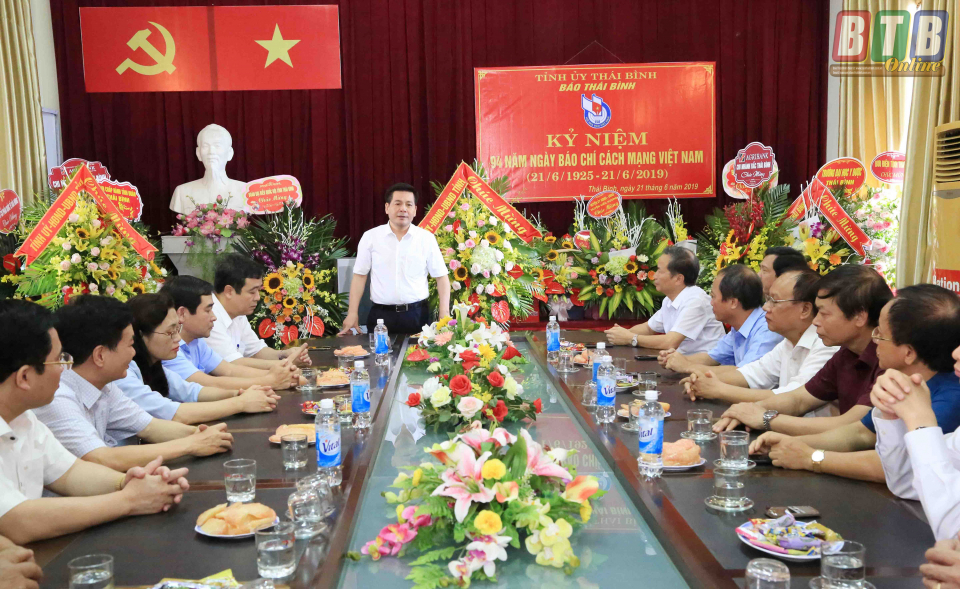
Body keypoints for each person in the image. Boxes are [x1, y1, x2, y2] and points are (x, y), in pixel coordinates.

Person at [0, 300, 190, 546]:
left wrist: (128, 482)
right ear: (25, 376)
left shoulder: (25, 418)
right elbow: (18, 521)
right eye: (59, 360)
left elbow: (71, 473)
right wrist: (130, 499)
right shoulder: (55, 400)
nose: (65, 369)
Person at [749, 284, 960, 484]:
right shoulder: (902, 381)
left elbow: (895, 467)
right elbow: (860, 433)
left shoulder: (950, 400)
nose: (874, 340)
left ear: (908, 353)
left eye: (881, 334)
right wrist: (790, 444)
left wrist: (811, 457)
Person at [32, 296, 234, 472]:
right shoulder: (58, 397)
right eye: (130, 345)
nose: (134, 352)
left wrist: (202, 435)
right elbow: (101, 458)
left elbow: (150, 427)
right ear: (100, 355)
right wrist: (190, 445)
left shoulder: (105, 385)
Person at [713, 264, 893, 436]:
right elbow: (799, 399)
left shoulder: (889, 360)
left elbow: (854, 428)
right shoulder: (846, 353)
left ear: (859, 317)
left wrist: (766, 419)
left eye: (824, 313)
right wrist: (749, 410)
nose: (815, 321)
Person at [681, 269, 839, 415]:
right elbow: (751, 373)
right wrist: (702, 381)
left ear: (805, 310)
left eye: (774, 301)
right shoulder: (788, 342)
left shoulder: (827, 345)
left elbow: (793, 397)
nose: (765, 307)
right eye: (767, 299)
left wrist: (719, 389)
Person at [117, 293, 281, 424]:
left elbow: (193, 391)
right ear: (140, 335)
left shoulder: (155, 365)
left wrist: (240, 394)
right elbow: (175, 413)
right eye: (170, 332)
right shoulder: (124, 374)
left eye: (177, 329)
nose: (177, 338)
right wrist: (241, 403)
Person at [339, 183, 451, 335]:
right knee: (378, 351)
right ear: (387, 207)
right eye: (397, 203)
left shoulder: (426, 238)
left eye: (408, 204)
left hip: (417, 315)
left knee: (419, 351)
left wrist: (444, 313)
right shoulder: (371, 237)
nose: (403, 209)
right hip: (381, 316)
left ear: (415, 210)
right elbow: (360, 276)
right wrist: (352, 313)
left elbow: (441, 277)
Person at [160, 276, 300, 390]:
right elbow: (209, 384)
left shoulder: (197, 342)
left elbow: (229, 370)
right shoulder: (168, 349)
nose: (214, 317)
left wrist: (281, 373)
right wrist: (271, 380)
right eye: (208, 310)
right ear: (182, 314)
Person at [658, 264, 783, 374]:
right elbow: (711, 357)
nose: (711, 303)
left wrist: (687, 366)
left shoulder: (766, 330)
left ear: (733, 302)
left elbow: (745, 373)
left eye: (713, 297)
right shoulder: (739, 326)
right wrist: (675, 359)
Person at [604, 246, 726, 352]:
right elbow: (648, 328)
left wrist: (631, 338)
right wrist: (620, 334)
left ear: (678, 278)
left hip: (707, 366)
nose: (655, 276)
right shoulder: (669, 299)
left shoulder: (696, 301)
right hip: (683, 362)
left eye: (660, 271)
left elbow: (670, 342)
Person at [205, 253, 311, 368]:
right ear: (229, 291)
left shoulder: (237, 313)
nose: (257, 297)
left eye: (258, 291)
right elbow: (232, 364)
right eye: (252, 292)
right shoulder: (209, 316)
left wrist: (284, 355)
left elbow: (256, 351)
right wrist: (285, 363)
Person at [169, 124, 248, 215]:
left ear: (230, 153)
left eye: (217, 146)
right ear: (198, 153)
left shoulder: (246, 191)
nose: (211, 152)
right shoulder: (182, 192)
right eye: (205, 146)